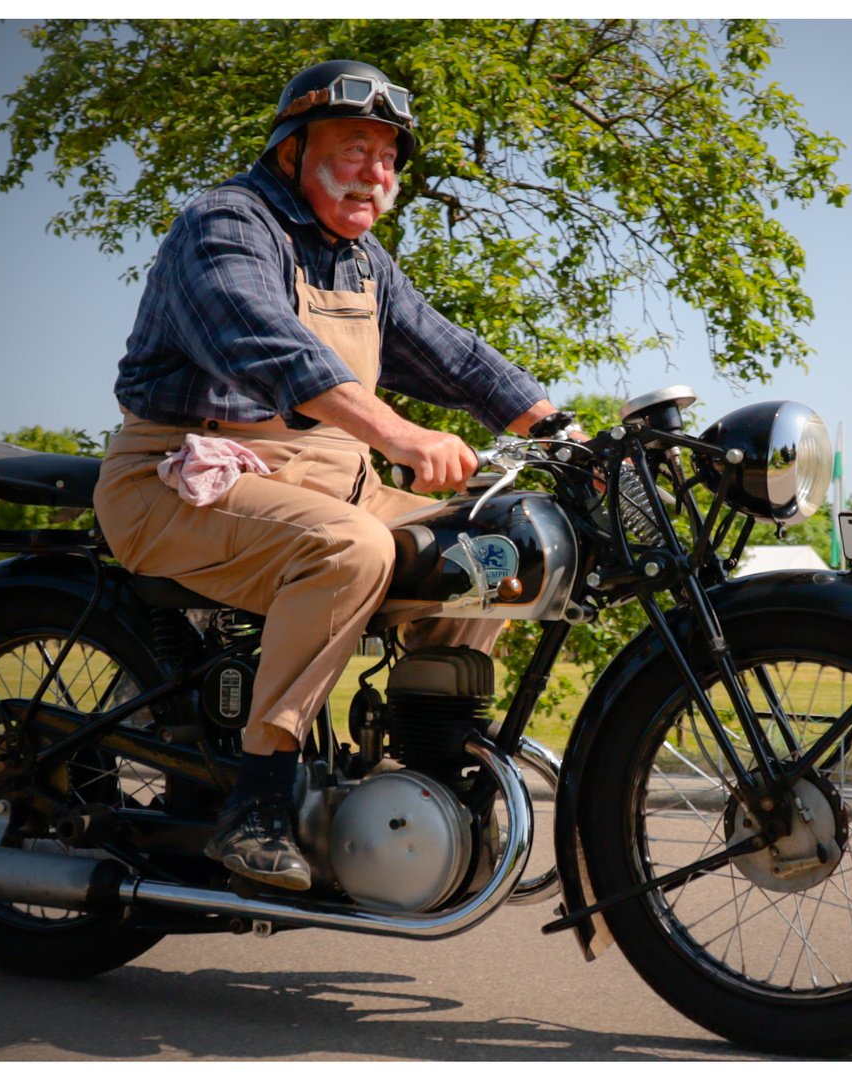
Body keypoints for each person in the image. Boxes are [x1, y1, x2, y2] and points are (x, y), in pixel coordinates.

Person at [92, 60, 578, 891]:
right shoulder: (227, 224)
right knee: (350, 550)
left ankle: (434, 773)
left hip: (326, 480)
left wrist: (565, 433)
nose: (376, 173)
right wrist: (396, 433)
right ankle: (258, 803)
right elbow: (268, 344)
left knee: (494, 548)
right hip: (183, 477)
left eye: (389, 157)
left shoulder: (361, 261)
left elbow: (450, 353)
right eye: (355, 146)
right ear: (291, 147)